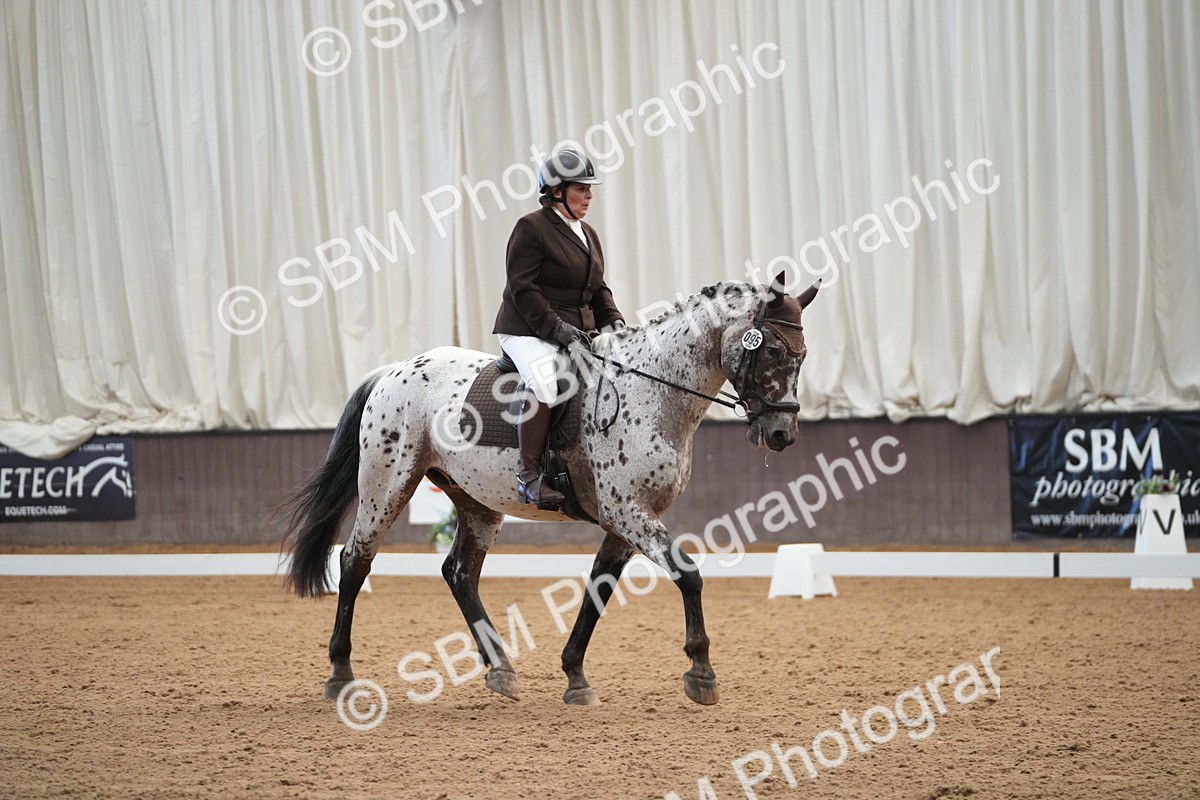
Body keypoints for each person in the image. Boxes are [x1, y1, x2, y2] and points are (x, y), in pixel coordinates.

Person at [492, 148, 626, 505]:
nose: (589, 195)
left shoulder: (588, 233)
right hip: (526, 327)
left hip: (573, 329)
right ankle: (528, 477)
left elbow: (598, 287)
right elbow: (523, 289)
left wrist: (614, 320)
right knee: (545, 379)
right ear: (556, 191)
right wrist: (556, 329)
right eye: (581, 188)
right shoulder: (531, 227)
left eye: (589, 188)